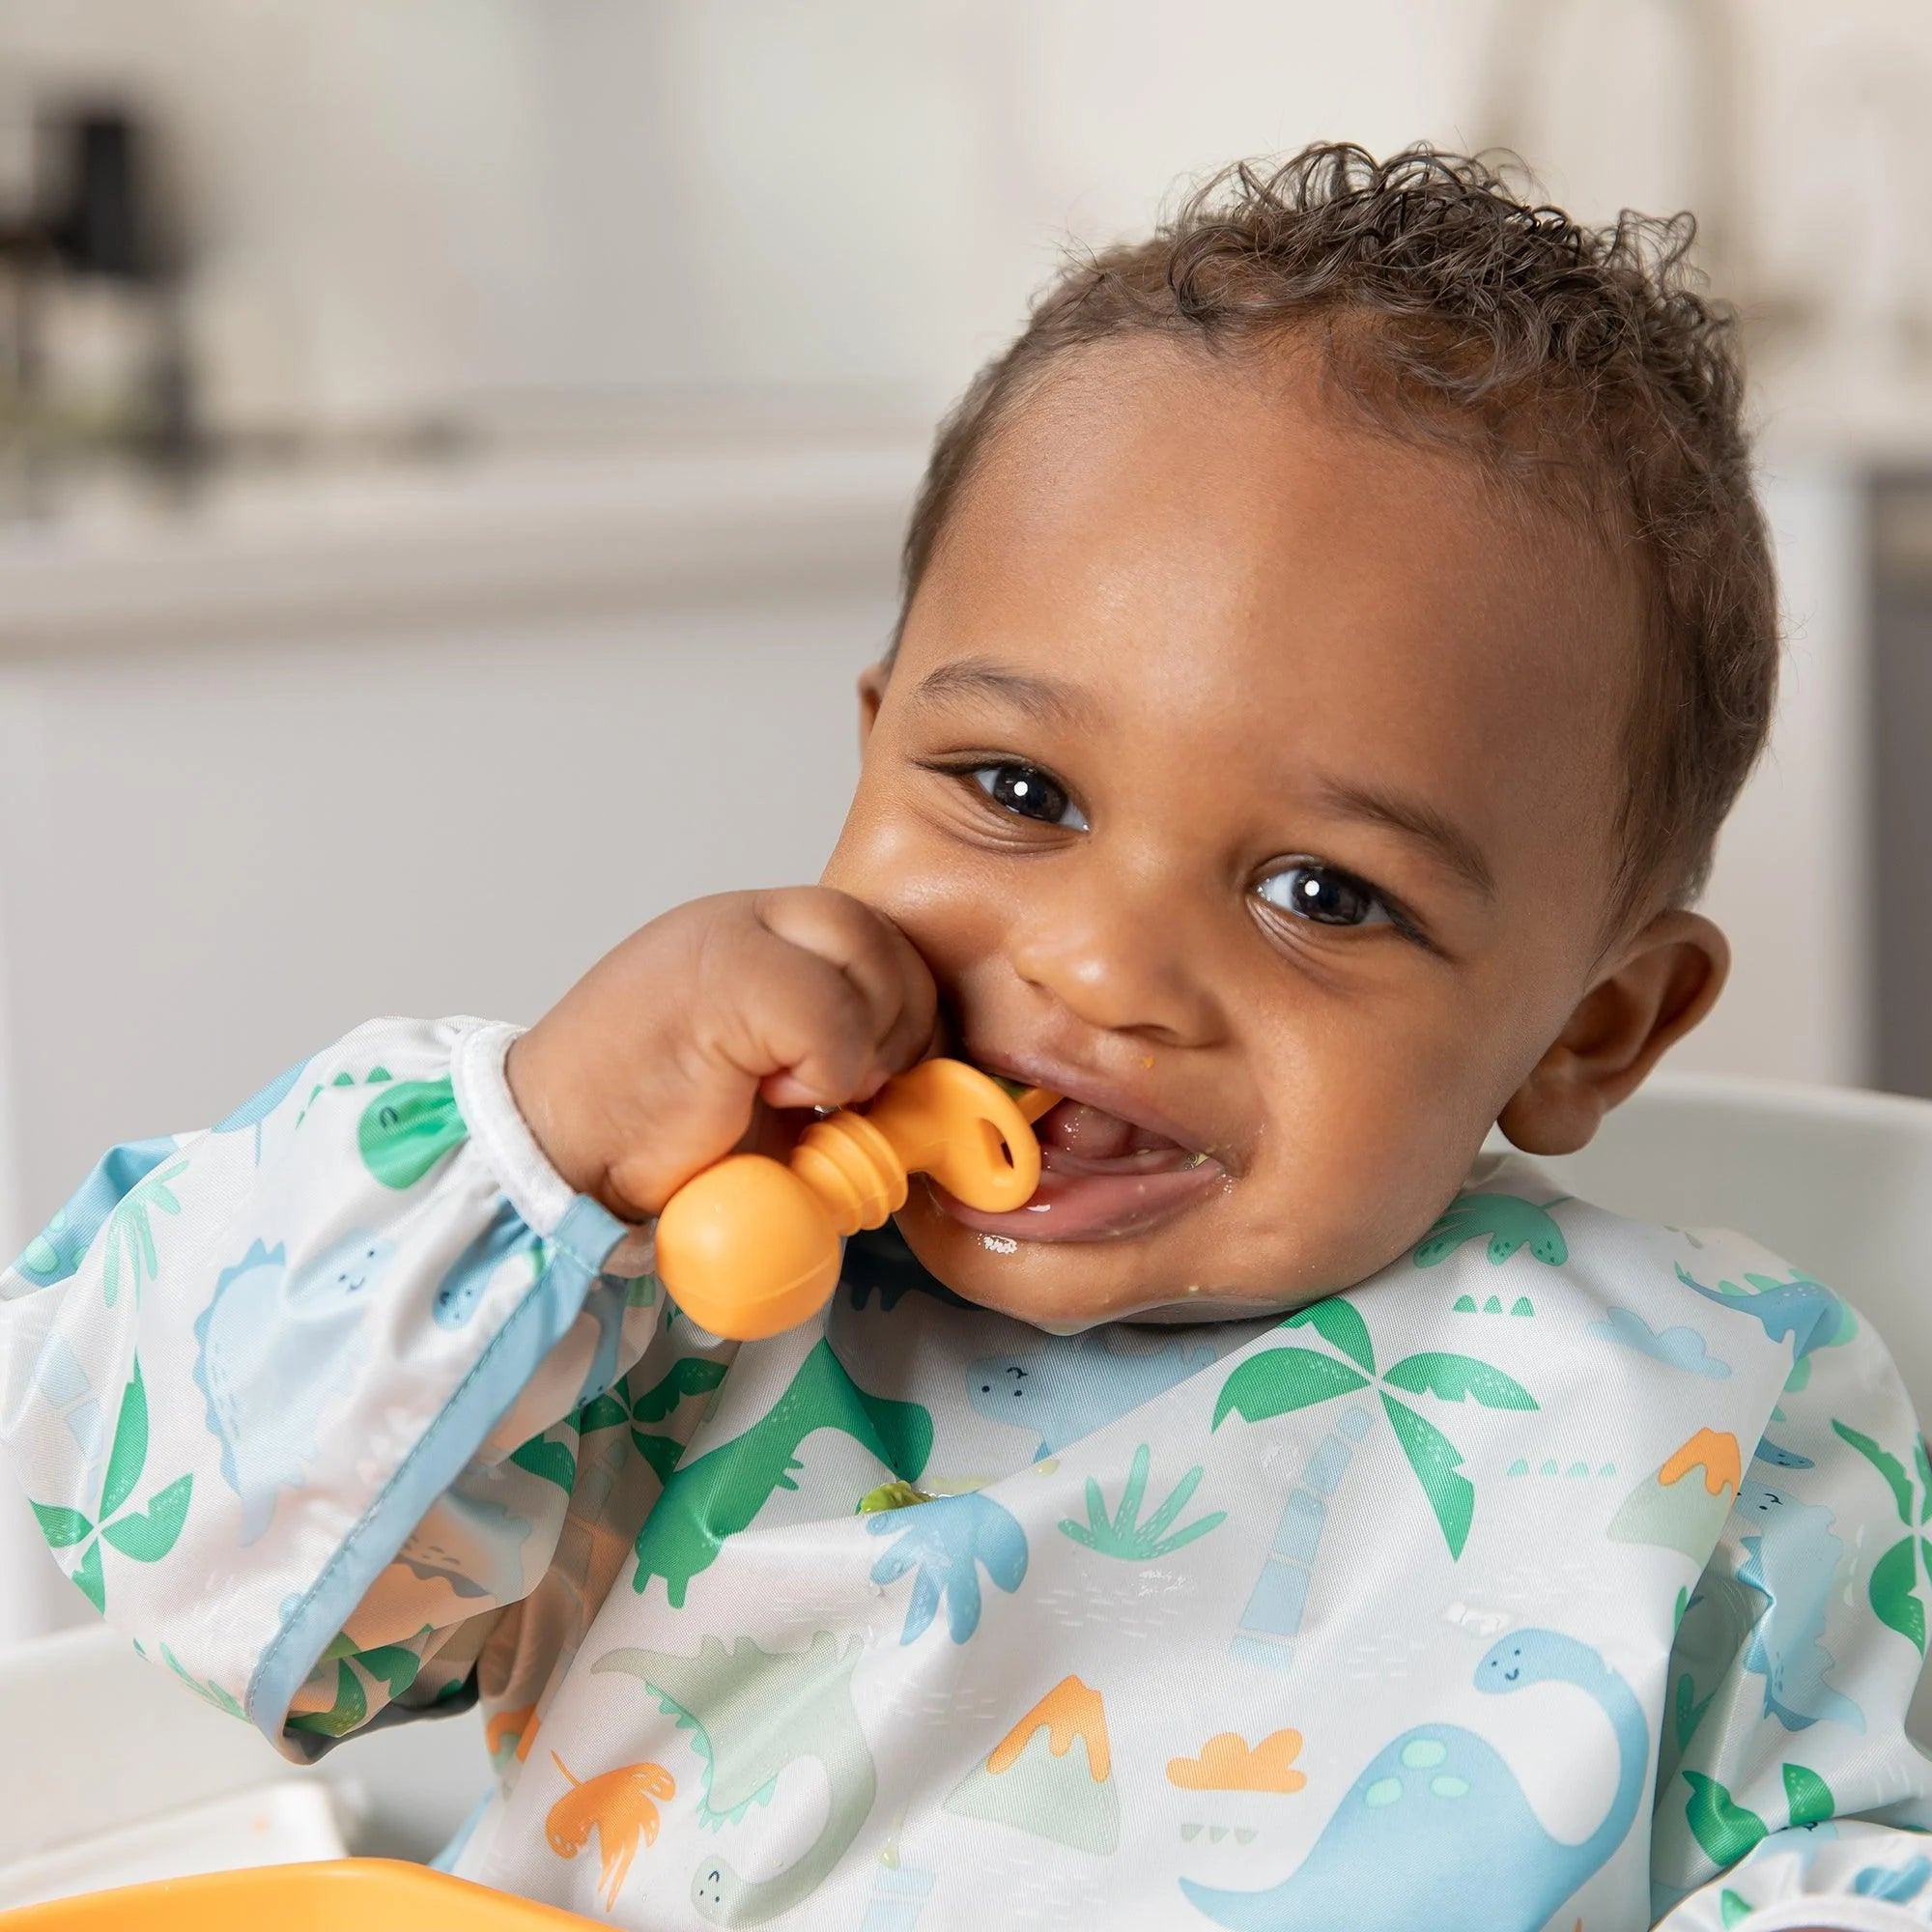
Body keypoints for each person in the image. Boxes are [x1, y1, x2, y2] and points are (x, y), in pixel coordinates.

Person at [4, 145, 1924, 1932]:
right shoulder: (663, 1289)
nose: (1101, 967)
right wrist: (541, 1144)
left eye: (1322, 895)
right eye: (1013, 787)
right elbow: (157, 1556)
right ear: (870, 744)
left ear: (1594, 1026)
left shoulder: (1718, 1418)